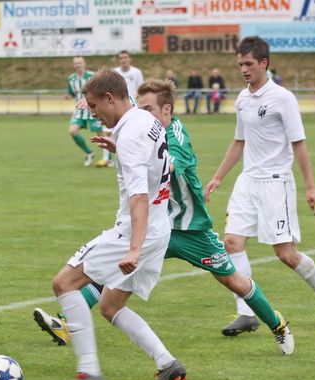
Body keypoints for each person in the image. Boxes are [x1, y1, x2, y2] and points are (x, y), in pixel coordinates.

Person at [34, 79, 294, 355]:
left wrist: (127, 151)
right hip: (157, 226)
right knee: (113, 265)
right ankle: (67, 323)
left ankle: (277, 324)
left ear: (167, 110)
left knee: (234, 281)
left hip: (191, 230)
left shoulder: (176, 136)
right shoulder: (147, 129)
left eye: (148, 109)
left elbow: (164, 167)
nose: (142, 114)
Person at [49, 69, 185, 380]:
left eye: (95, 107)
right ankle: (167, 364)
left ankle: (89, 372)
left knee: (64, 283)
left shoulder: (132, 134)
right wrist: (119, 147)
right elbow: (158, 165)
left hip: (134, 232)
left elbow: (138, 195)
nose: (94, 116)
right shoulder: (145, 120)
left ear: (110, 98)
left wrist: (134, 248)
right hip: (159, 228)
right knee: (110, 304)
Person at [204, 36, 315, 335]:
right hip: (247, 181)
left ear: (264, 63)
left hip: (276, 183)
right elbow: (239, 141)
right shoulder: (242, 99)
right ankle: (246, 314)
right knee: (231, 244)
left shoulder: (283, 98)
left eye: (249, 64)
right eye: (240, 64)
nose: (244, 69)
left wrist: (311, 187)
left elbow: (299, 144)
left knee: (285, 254)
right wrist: (218, 176)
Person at [66, 56, 108, 167]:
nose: (77, 65)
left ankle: (107, 158)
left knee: (100, 135)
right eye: (75, 63)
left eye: (79, 63)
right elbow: (71, 93)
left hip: (92, 109)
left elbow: (100, 90)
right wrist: (68, 96)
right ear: (73, 65)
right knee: (72, 131)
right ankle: (89, 153)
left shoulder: (92, 76)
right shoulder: (71, 79)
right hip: (79, 111)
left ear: (84, 64)